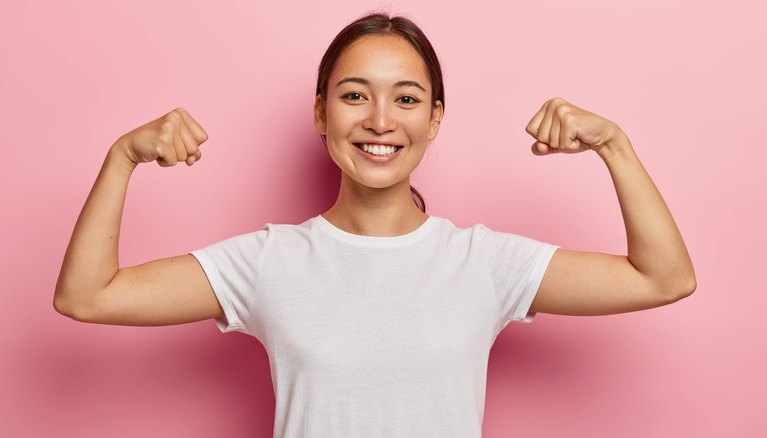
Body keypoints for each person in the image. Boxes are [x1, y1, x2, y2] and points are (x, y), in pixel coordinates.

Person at [54, 12, 696, 438]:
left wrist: (614, 144)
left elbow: (663, 278)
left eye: (407, 99)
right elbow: (86, 296)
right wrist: (122, 158)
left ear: (436, 118)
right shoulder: (268, 262)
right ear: (320, 113)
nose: (381, 120)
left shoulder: (484, 263)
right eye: (355, 94)